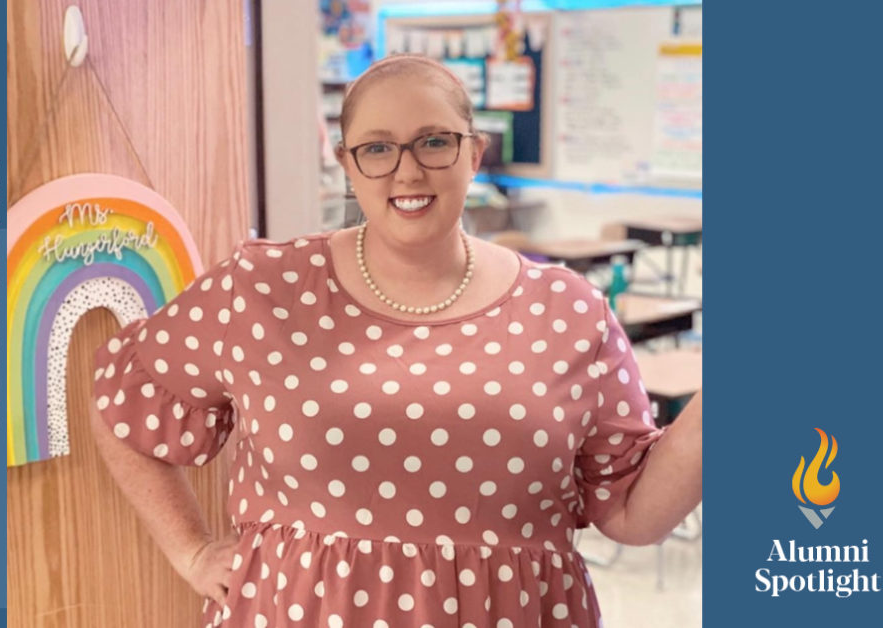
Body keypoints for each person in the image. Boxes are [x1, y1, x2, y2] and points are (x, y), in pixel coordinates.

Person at [90, 54, 702, 628]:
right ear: (347, 163)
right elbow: (123, 401)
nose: (407, 170)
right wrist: (192, 552)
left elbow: (630, 511)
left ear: (474, 153)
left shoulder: (568, 310)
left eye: (435, 141)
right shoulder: (263, 288)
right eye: (377, 148)